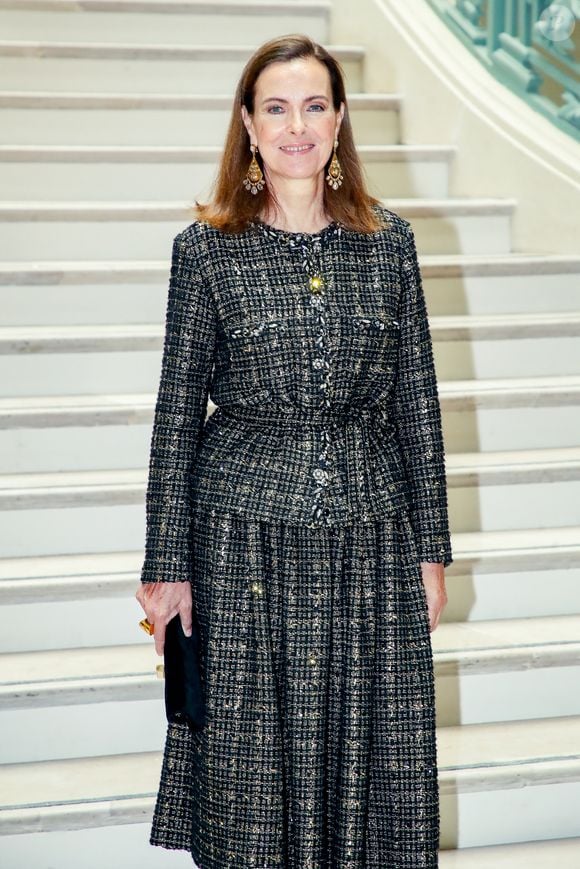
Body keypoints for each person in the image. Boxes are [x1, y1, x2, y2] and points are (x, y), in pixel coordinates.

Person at [136, 32, 452, 869]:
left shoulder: (390, 243)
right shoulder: (205, 250)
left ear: (340, 120)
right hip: (241, 538)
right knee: (249, 769)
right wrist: (166, 564)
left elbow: (416, 403)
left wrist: (431, 549)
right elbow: (177, 411)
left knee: (373, 759)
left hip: (371, 533)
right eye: (276, 108)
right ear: (248, 124)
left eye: (315, 106)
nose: (297, 126)